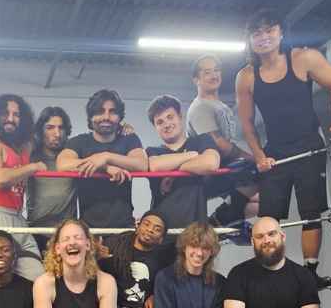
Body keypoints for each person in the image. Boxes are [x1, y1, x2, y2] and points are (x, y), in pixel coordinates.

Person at [236, 8, 331, 289]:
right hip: (275, 153)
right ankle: (269, 270)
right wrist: (260, 156)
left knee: (311, 213)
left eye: (269, 30)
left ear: (280, 32)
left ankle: (309, 271)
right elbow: (247, 124)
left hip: (308, 147)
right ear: (250, 40)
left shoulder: (303, 58)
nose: (263, 37)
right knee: (269, 218)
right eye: (257, 33)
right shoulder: (247, 76)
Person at [0, 94, 45, 280]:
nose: (11, 119)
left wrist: (123, 131)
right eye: (5, 113)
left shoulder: (21, 146)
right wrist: (33, 167)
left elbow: (44, 135)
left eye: (17, 114)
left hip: (17, 215)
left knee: (38, 277)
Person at [57, 89, 148, 233]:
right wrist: (104, 167)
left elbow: (141, 164)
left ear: (119, 117)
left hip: (124, 229)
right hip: (88, 230)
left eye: (112, 112)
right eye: (100, 111)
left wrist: (106, 156)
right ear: (91, 116)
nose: (106, 117)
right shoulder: (79, 142)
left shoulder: (129, 139)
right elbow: (63, 164)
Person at [187, 54, 260, 227]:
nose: (214, 75)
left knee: (261, 201)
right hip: (213, 170)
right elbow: (220, 145)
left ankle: (220, 223)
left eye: (216, 71)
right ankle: (216, 224)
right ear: (196, 79)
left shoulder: (220, 106)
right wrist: (253, 157)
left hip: (228, 166)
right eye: (207, 72)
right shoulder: (200, 108)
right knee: (267, 184)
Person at [144, 94, 221, 229]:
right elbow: (155, 165)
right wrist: (193, 156)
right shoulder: (153, 151)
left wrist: (174, 172)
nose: (166, 124)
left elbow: (210, 163)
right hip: (161, 232)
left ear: (180, 116)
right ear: (155, 127)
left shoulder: (201, 140)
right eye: (160, 122)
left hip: (195, 229)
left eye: (170, 117)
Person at [27, 107, 76, 253]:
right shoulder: (31, 157)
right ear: (41, 131)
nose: (57, 133)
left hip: (66, 233)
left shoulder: (73, 157)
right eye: (50, 128)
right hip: (36, 230)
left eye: (61, 128)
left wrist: (122, 131)